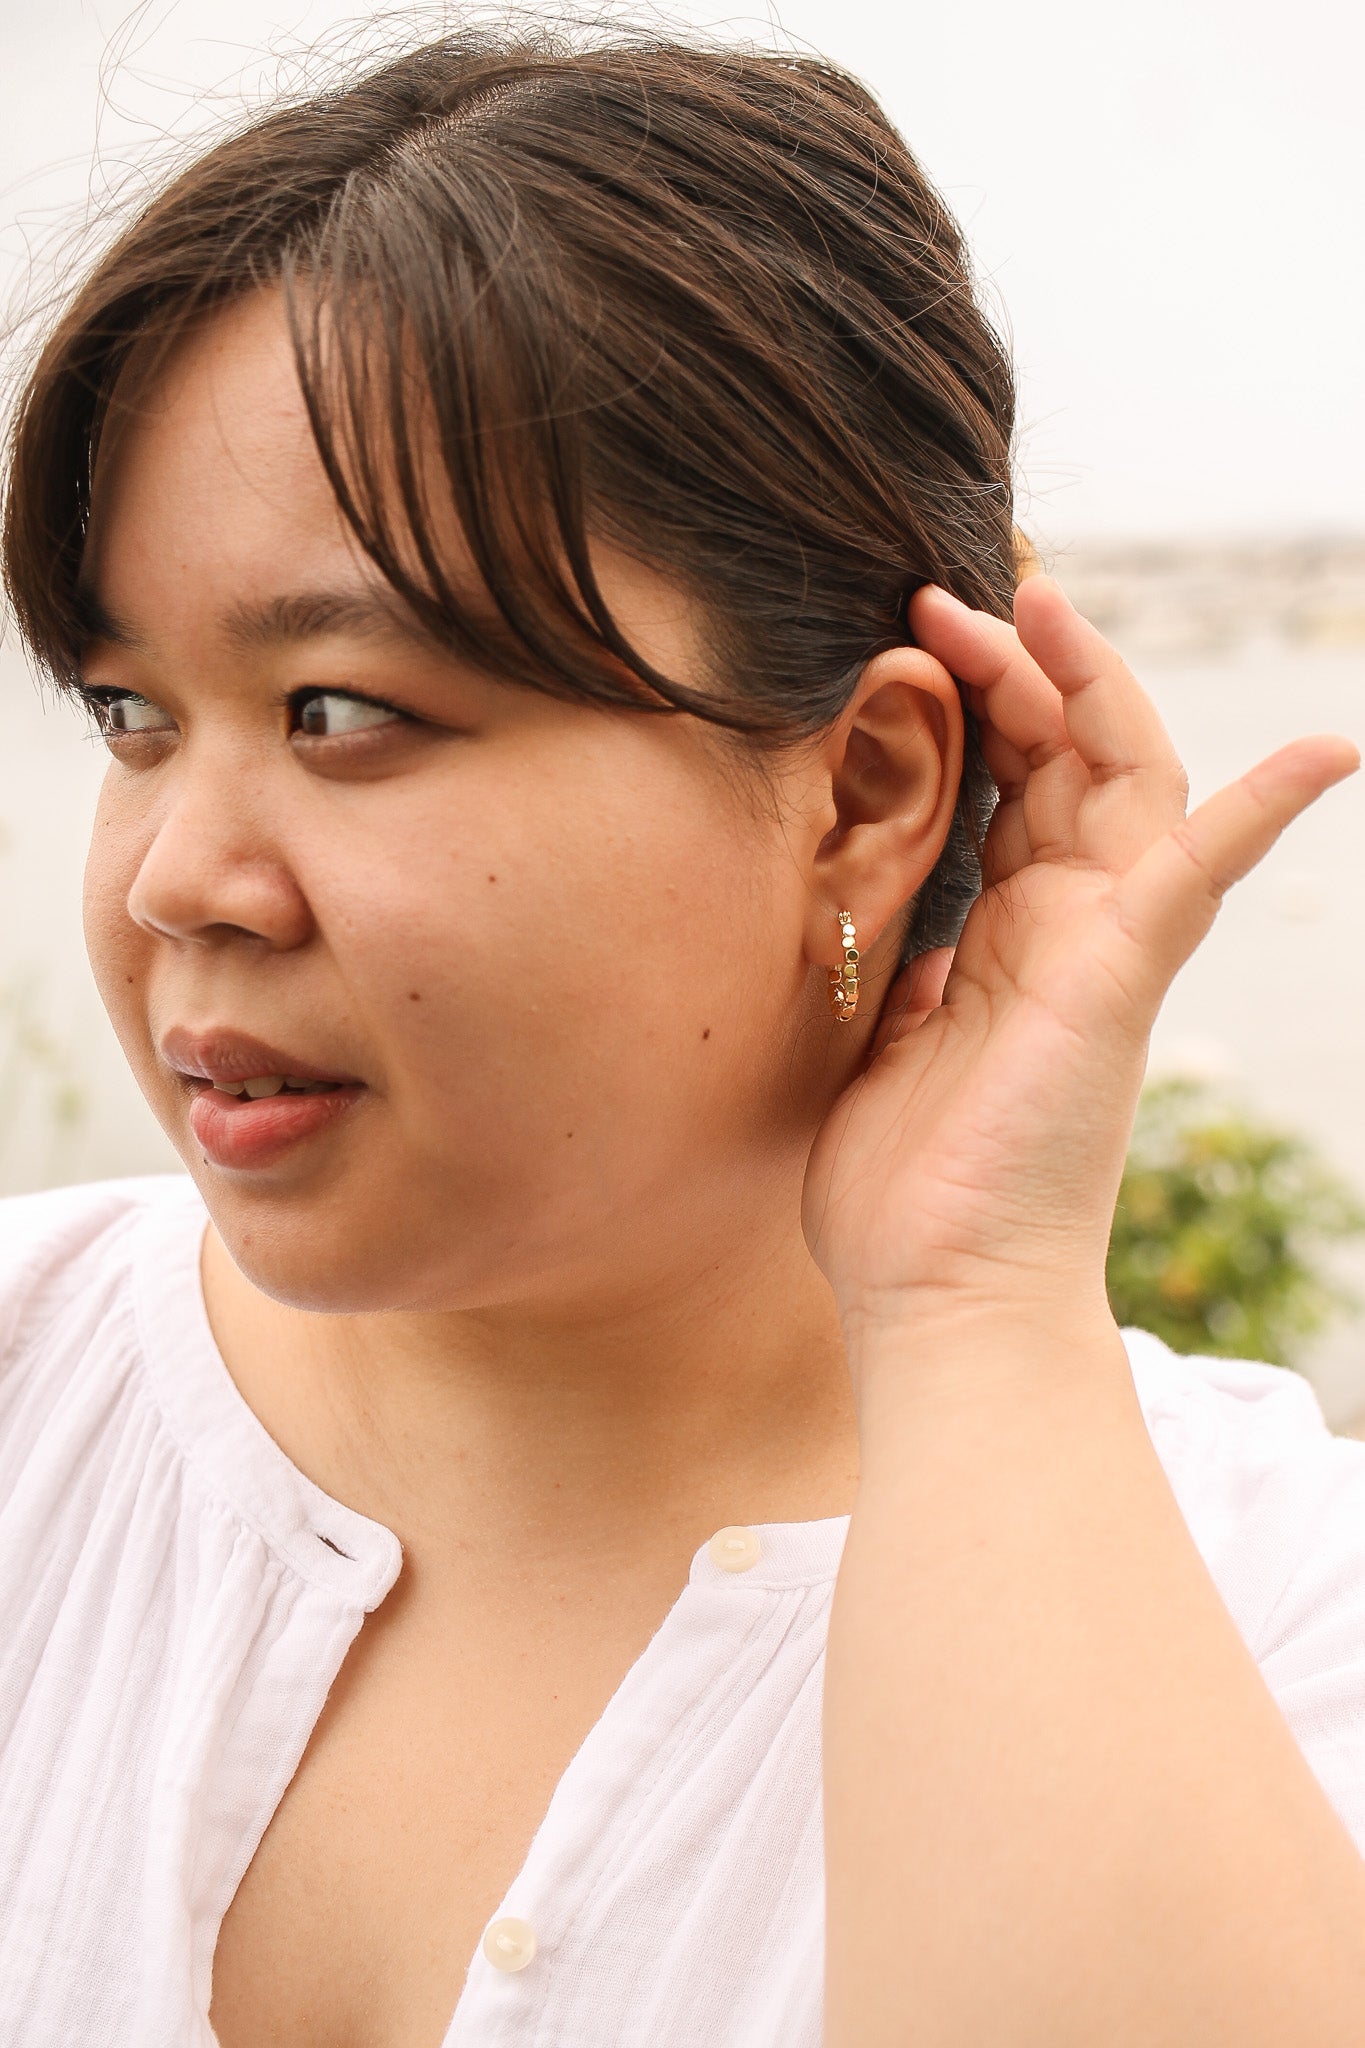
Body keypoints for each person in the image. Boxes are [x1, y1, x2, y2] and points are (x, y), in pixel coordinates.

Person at [2, 25, 1364, 2048]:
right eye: (131, 713)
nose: (178, 878)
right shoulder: (33, 1399)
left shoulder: (1263, 1629)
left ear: (869, 786)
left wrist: (974, 1289)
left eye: (341, 713)